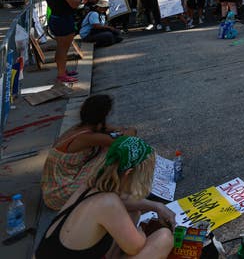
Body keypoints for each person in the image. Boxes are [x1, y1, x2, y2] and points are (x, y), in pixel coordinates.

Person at [35, 136, 174, 259]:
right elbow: (136, 247)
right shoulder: (108, 203)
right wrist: (141, 232)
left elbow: (125, 203)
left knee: (133, 212)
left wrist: (157, 206)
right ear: (129, 173)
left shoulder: (89, 186)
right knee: (164, 238)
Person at [41, 95, 136, 210]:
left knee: (107, 149)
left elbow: (109, 128)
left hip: (53, 189)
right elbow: (126, 140)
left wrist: (117, 130)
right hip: (61, 194)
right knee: (112, 153)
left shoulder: (81, 127)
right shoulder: (87, 137)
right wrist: (131, 129)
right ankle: (118, 189)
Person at [44, 0, 86, 83]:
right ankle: (61, 74)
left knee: (60, 47)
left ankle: (62, 71)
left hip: (55, 19)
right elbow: (74, 4)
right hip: (64, 20)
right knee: (63, 49)